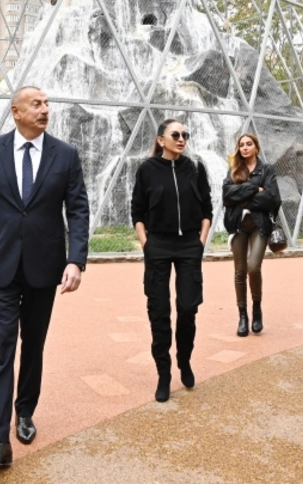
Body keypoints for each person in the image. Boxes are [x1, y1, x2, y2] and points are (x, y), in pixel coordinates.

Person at [0, 86, 90, 467]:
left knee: (33, 345)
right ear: (16, 111)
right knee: (2, 348)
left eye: (48, 103)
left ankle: (25, 410)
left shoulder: (65, 155)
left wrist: (76, 260)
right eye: (37, 104)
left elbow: (78, 210)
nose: (45, 109)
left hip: (44, 267)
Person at [130, 118, 213, 403]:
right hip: (159, 246)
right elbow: (137, 211)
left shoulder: (195, 168)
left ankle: (184, 359)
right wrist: (146, 244)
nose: (182, 139)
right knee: (159, 311)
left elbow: (207, 208)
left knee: (189, 307)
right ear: (160, 140)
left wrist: (200, 241)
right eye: (175, 134)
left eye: (185, 135)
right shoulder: (147, 170)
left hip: (190, 244)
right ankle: (163, 373)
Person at [221, 133, 281, 337]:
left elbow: (273, 199)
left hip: (259, 224)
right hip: (237, 225)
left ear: (256, 147)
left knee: (253, 267)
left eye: (249, 144)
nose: (245, 147)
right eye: (241, 145)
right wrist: (255, 188)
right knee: (239, 271)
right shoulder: (234, 170)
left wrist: (243, 198)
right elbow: (226, 197)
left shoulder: (267, 170)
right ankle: (243, 316)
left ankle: (256, 308)